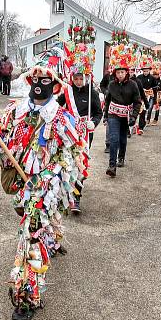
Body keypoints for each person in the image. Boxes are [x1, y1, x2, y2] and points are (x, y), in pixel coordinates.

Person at [0, 56, 86, 320]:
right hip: (22, 184)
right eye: (35, 79)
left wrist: (49, 178)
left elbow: (73, 156)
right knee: (37, 220)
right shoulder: (15, 111)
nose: (39, 85)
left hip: (45, 187)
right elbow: (4, 145)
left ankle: (27, 294)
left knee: (31, 232)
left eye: (45, 80)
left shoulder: (62, 118)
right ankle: (55, 238)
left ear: (56, 86)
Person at [58, 70, 103, 213]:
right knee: (66, 161)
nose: (78, 81)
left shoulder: (92, 93)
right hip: (68, 132)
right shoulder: (67, 91)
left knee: (80, 163)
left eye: (80, 79)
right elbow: (56, 107)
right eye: (76, 79)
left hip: (84, 133)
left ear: (86, 79)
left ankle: (76, 197)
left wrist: (94, 123)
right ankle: (64, 193)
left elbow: (98, 112)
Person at [104, 66, 142, 177]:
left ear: (126, 73)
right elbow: (107, 101)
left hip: (126, 116)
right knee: (113, 138)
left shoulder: (133, 85)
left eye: (122, 72)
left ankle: (121, 157)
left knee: (122, 139)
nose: (120, 74)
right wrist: (106, 116)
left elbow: (137, 102)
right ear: (114, 73)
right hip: (113, 114)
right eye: (118, 72)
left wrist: (134, 116)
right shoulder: (111, 85)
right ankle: (112, 166)